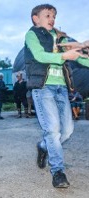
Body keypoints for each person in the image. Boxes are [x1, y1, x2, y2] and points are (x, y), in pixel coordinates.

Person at [24, 4, 89, 188]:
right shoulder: (32, 34)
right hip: (43, 87)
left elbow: (80, 58)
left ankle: (43, 146)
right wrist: (63, 56)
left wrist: (83, 52)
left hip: (61, 88)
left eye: (54, 15)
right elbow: (39, 55)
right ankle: (58, 171)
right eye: (47, 15)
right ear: (36, 18)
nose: (52, 18)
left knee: (67, 131)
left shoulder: (62, 38)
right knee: (52, 130)